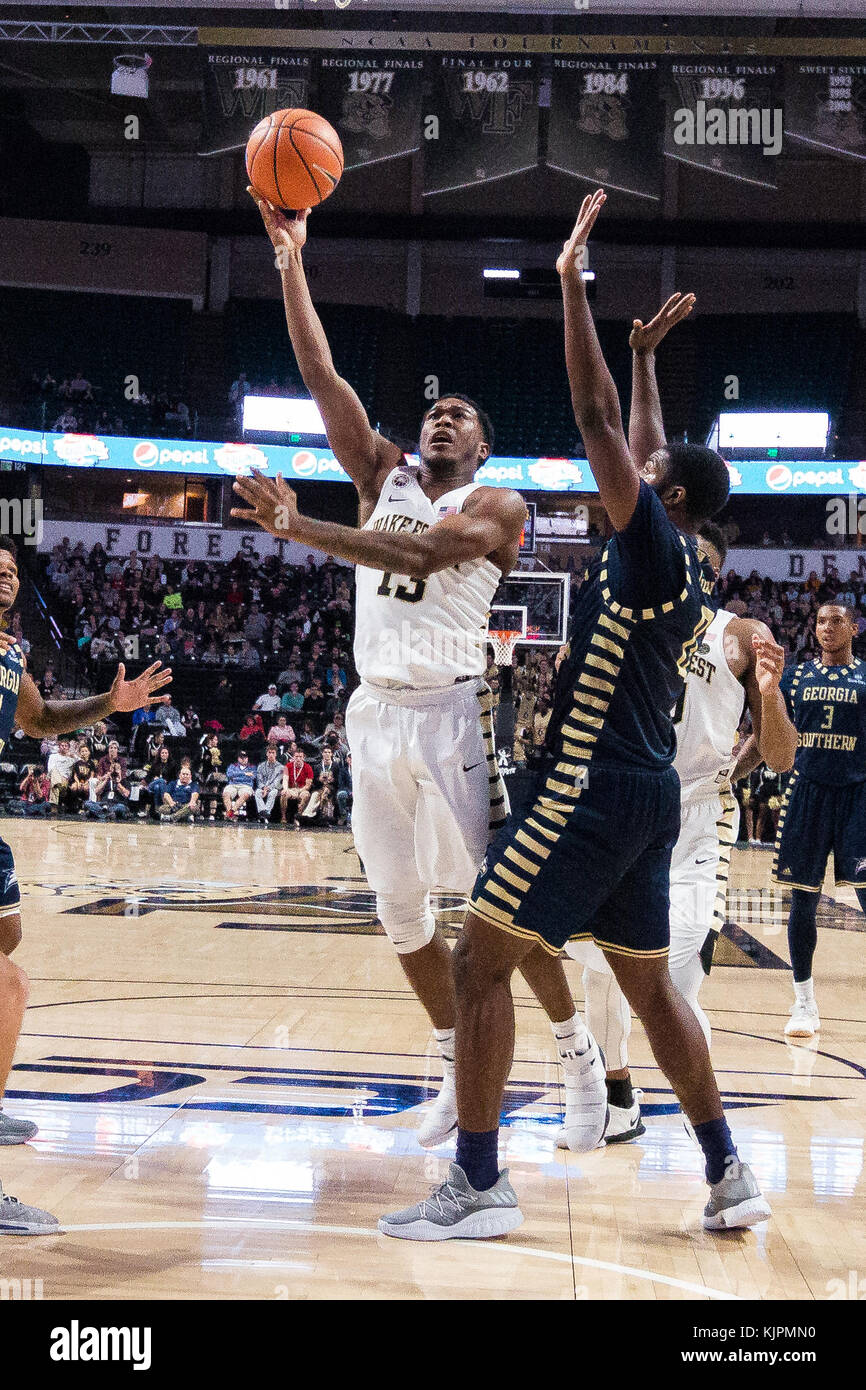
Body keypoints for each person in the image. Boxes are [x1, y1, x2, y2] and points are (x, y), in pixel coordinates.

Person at [375, 191, 768, 1240]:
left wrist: (569, 284)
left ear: (667, 500)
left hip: (587, 786)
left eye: (647, 479)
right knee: (645, 987)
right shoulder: (677, 550)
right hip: (647, 797)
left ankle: (476, 1180)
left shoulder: (646, 540)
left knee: (478, 954)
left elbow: (600, 427)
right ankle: (729, 1171)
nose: (626, 474)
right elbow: (636, 439)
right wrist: (645, 361)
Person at [235, 189, 598, 1153]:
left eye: (461, 416)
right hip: (373, 715)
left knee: (498, 908)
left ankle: (577, 1055)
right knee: (400, 912)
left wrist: (298, 527)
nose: (443, 420)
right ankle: (449, 1060)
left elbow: (421, 559)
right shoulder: (383, 477)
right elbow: (322, 376)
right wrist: (290, 260)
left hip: (452, 715)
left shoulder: (499, 505)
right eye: (435, 410)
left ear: (483, 446)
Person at [557, 304, 796, 1143]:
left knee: (664, 975)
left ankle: (708, 1138)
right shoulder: (646, 593)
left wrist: (769, 696)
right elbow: (647, 457)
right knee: (601, 964)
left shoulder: (738, 632)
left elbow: (776, 755)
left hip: (698, 815)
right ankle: (618, 1094)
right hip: (631, 795)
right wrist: (645, 362)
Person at [0, 538, 171, 1229]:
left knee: (7, 938)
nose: (5, 579)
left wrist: (111, 702)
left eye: (11, 572)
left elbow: (37, 720)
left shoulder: (12, 652)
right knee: (7, 987)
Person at [760, 603, 866, 1039]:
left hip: (858, 795)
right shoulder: (796, 676)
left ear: (854, 628)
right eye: (821, 621)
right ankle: (804, 1002)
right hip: (806, 794)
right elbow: (771, 729)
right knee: (802, 901)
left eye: (836, 620)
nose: (826, 628)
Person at [279, 747, 314, 825]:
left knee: (306, 795)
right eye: (296, 757)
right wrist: (286, 789)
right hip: (291, 789)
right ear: (293, 757)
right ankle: (283, 816)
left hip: (302, 789)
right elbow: (285, 780)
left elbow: (308, 785)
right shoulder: (288, 766)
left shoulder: (308, 767)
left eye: (300, 757)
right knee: (284, 793)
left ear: (304, 757)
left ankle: (298, 816)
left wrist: (298, 791)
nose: (298, 759)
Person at [254, 744, 284, 824]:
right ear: (266, 753)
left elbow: (277, 783)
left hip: (274, 788)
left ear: (276, 754)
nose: (271, 755)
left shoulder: (281, 767)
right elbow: (259, 781)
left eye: (273, 753)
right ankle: (265, 813)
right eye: (269, 752)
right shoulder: (260, 766)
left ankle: (264, 814)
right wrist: (264, 788)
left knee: (273, 792)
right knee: (257, 792)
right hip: (262, 788)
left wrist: (267, 789)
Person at [223, 749, 256, 819]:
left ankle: (230, 813)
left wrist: (236, 777)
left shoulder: (252, 767)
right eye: (241, 757)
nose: (243, 759)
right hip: (233, 785)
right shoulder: (232, 766)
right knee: (226, 794)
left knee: (245, 795)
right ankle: (230, 814)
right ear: (238, 758)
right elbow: (229, 775)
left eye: (245, 757)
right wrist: (244, 774)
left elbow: (252, 777)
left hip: (246, 786)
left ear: (248, 758)